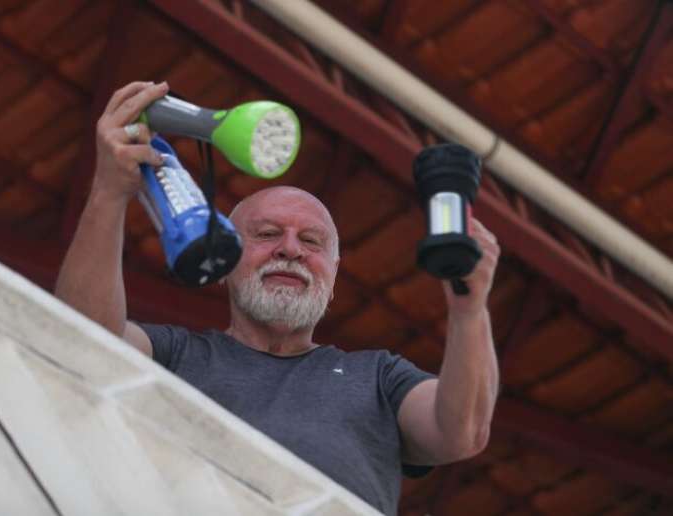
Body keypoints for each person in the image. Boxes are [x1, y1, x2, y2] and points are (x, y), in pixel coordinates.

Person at [55, 81, 500, 516]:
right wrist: (110, 192)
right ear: (226, 257)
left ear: (334, 272)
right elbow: (81, 341)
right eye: (268, 234)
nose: (290, 249)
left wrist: (469, 310)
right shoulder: (177, 355)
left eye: (312, 241)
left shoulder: (379, 377)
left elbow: (462, 432)